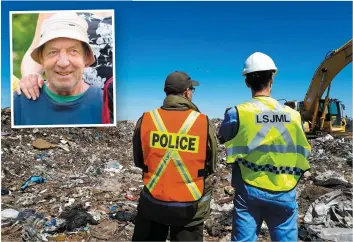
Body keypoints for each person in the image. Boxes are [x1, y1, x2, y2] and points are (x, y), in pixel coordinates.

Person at [218, 52, 311, 242]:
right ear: (272, 80)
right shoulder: (294, 116)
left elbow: (223, 136)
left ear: (247, 82)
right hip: (286, 188)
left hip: (249, 189)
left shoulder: (237, 113)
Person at [132, 71, 218, 241]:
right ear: (187, 92)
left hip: (153, 203)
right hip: (189, 208)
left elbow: (139, 161)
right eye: (192, 89)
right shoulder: (202, 122)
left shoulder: (146, 119)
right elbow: (212, 164)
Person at [15, 11, 114, 123]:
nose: (63, 62)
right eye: (53, 52)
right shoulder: (20, 102)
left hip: (105, 99)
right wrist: (30, 80)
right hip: (50, 97)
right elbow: (36, 46)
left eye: (73, 51)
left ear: (86, 58)